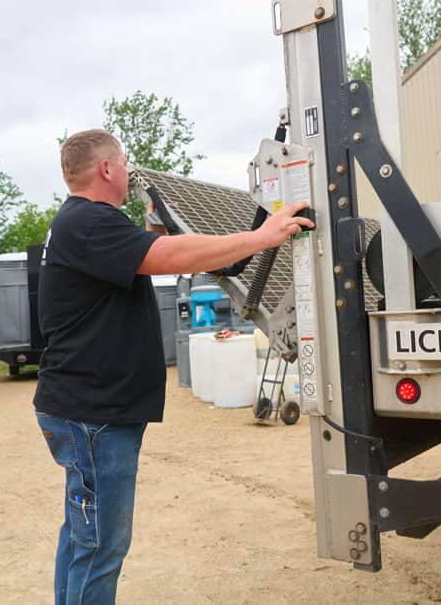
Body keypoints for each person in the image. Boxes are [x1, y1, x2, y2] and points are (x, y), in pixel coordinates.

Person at [34, 129, 313, 604]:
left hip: (91, 409)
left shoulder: (84, 225)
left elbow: (146, 254)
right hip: (94, 414)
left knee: (85, 538)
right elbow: (168, 257)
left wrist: (155, 229)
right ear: (105, 169)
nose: (127, 171)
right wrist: (262, 236)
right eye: (123, 163)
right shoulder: (89, 221)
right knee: (100, 544)